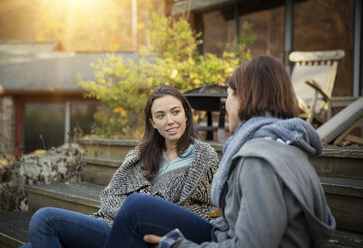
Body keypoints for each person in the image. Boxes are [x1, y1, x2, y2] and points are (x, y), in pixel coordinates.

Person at [103, 55, 336, 248]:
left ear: (246, 98)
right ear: (152, 122)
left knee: (137, 207)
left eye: (229, 94)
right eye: (160, 115)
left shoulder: (260, 161)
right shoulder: (287, 147)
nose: (225, 104)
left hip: (223, 240)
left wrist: (176, 245)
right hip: (222, 235)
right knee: (133, 206)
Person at [20, 85, 219, 248]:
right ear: (152, 122)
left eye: (175, 112)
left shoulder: (203, 156)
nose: (170, 121)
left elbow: (208, 210)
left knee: (44, 219)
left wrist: (150, 216)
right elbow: (110, 196)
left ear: (186, 114)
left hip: (146, 234)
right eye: (160, 116)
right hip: (110, 225)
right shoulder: (139, 155)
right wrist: (130, 213)